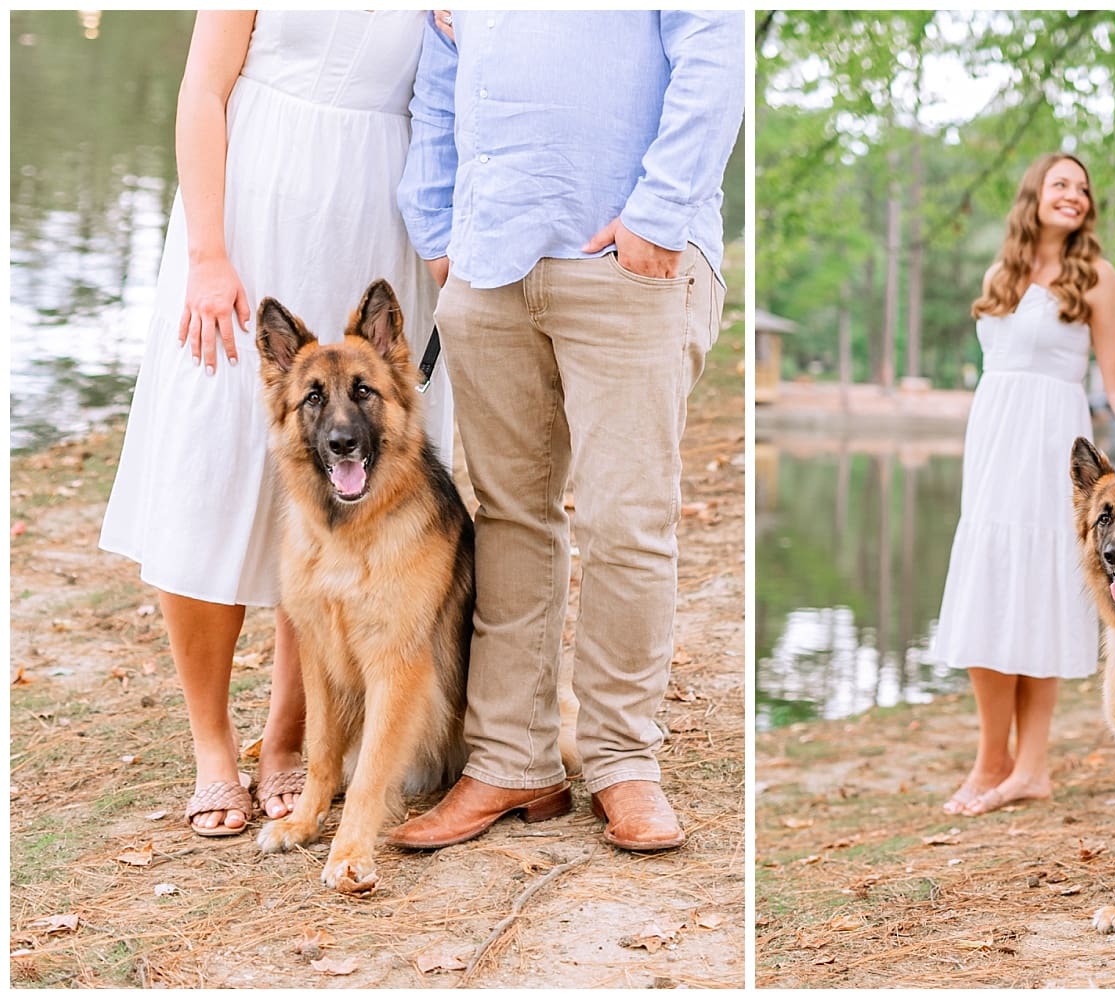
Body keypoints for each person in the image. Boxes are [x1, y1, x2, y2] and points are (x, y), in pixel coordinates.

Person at [386, 11, 744, 853]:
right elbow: (439, 82)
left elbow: (714, 49)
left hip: (626, 257)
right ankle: (512, 759)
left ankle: (623, 759)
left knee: (627, 519)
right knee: (511, 514)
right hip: (491, 262)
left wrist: (658, 216)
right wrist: (440, 232)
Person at [99, 10, 454, 836]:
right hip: (248, 215)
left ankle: (289, 737)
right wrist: (206, 251)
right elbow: (202, 89)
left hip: (372, 215)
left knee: (341, 497)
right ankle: (213, 750)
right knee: (206, 472)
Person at [930, 153, 1115, 816]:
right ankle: (991, 755)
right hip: (995, 443)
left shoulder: (1097, 279)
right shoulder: (1002, 274)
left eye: (1082, 187)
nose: (1073, 194)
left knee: (1043, 589)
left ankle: (1032, 765)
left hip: (1056, 444)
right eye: (1060, 184)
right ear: (1034, 196)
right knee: (991, 584)